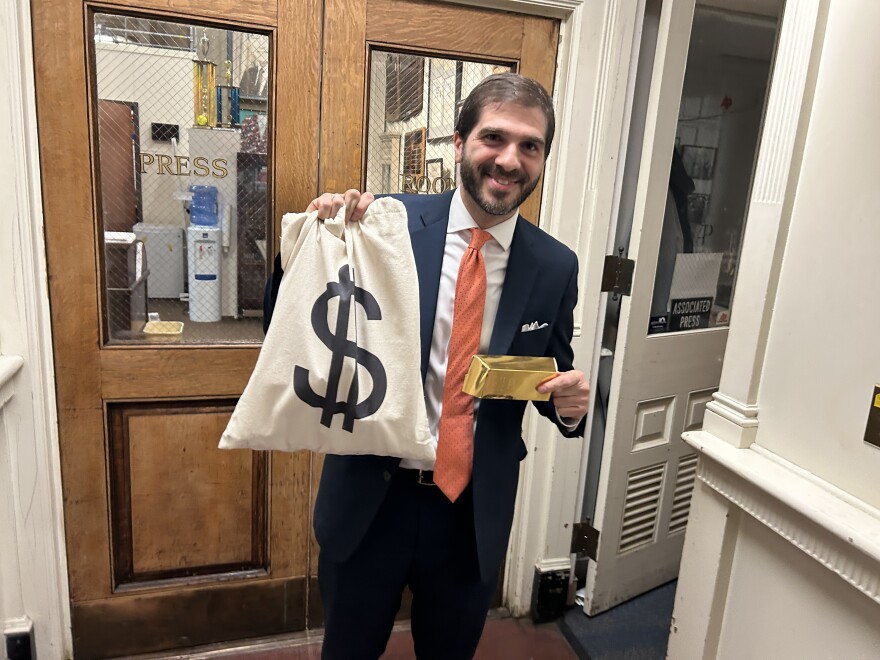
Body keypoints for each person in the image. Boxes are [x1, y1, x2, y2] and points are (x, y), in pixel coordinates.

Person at [265, 73, 590, 659]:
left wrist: (568, 407)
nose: (510, 160)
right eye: (494, 138)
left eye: (530, 145)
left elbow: (548, 374)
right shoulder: (385, 224)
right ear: (460, 140)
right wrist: (311, 245)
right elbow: (290, 326)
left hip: (468, 513)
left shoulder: (554, 266)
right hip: (371, 501)